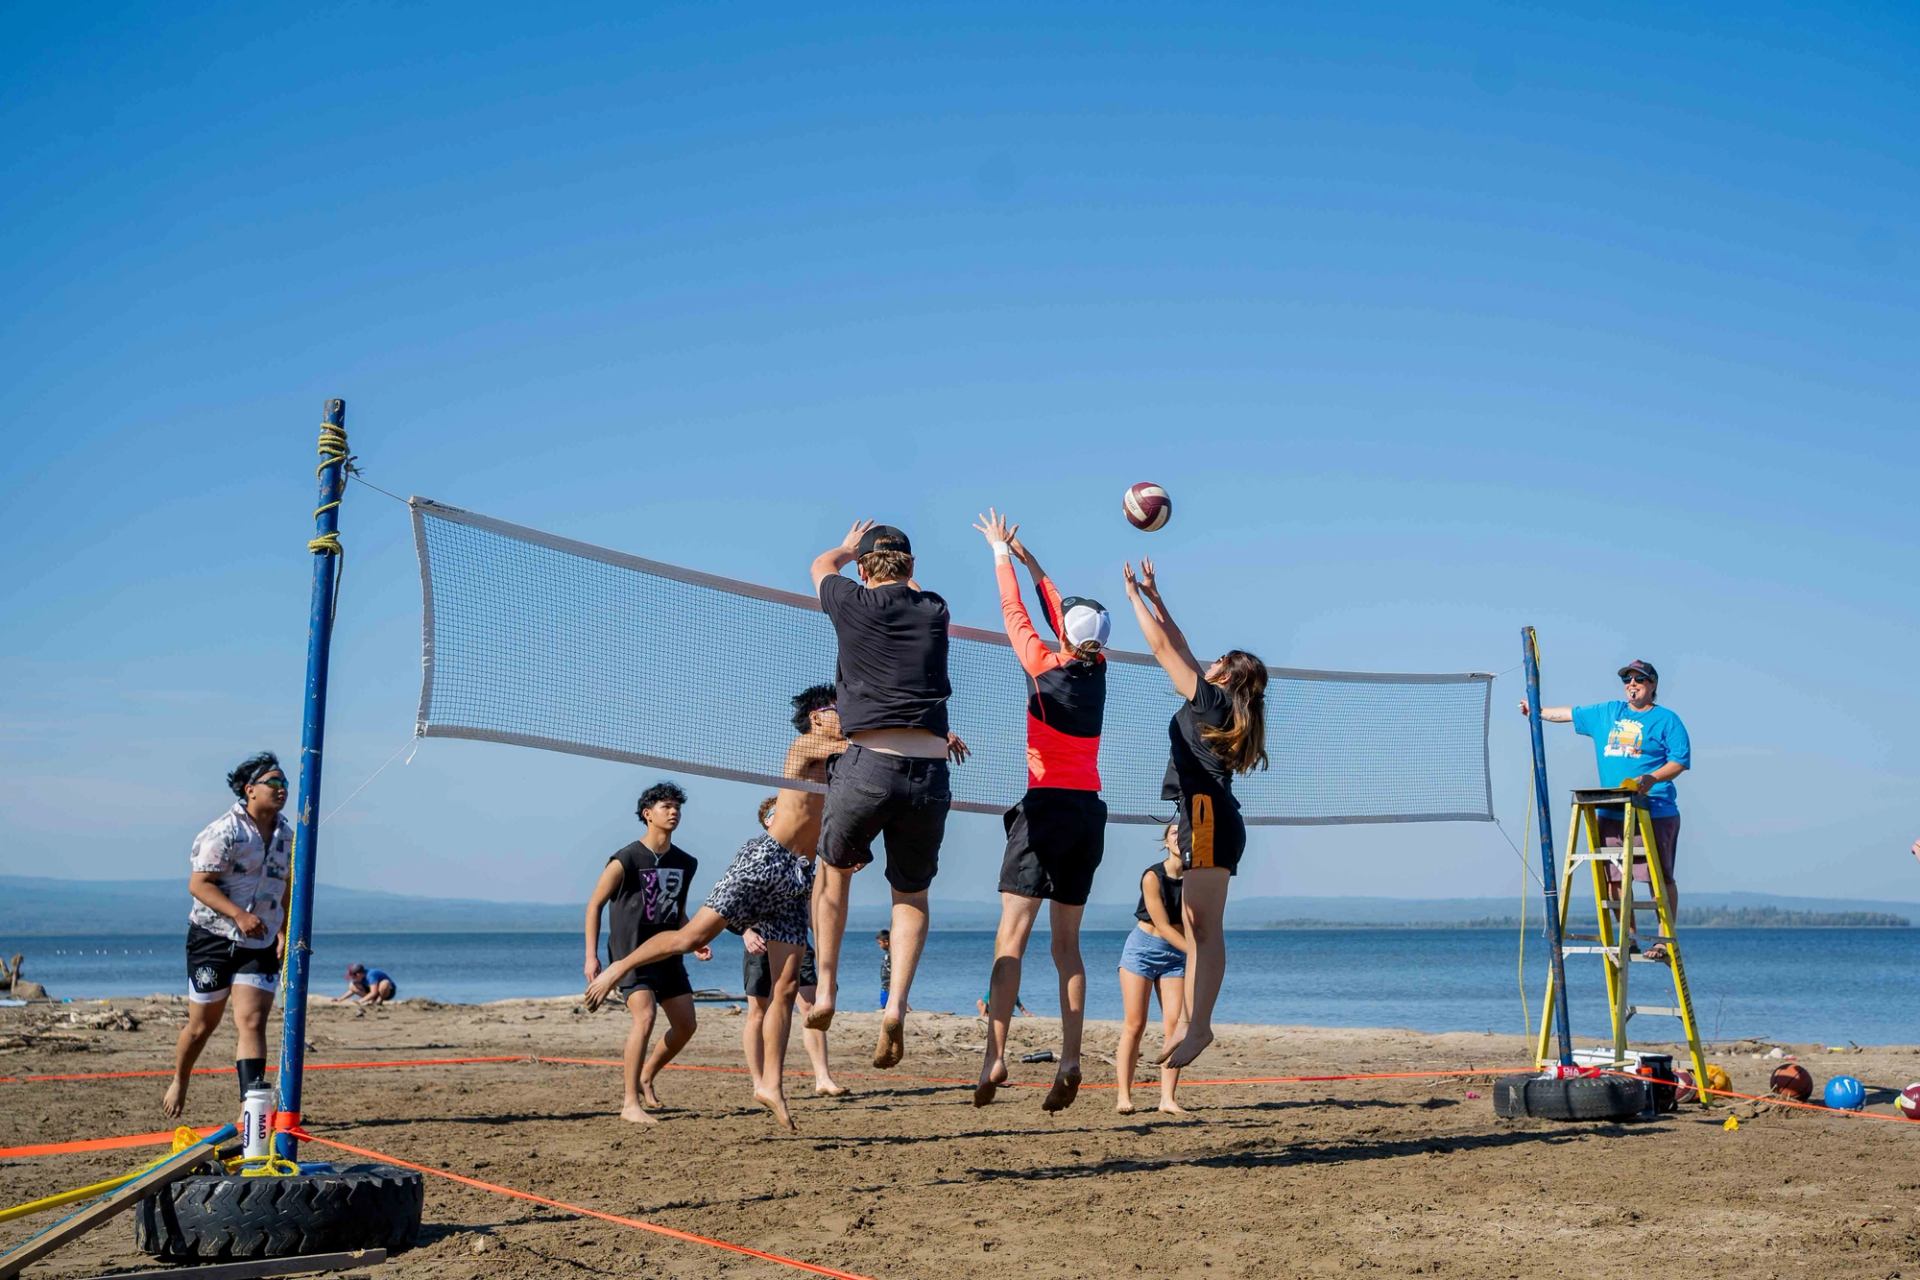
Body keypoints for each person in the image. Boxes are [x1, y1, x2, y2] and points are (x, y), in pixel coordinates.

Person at [588, 686, 847, 1129]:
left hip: (799, 873)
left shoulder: (841, 766)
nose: (842, 713)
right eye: (833, 709)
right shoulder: (806, 746)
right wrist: (926, 739)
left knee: (784, 988)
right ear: (816, 718)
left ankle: (771, 1085)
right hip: (765, 860)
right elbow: (867, 746)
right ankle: (619, 968)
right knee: (693, 937)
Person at [807, 520, 969, 1070]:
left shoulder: (850, 600)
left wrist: (849, 548)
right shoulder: (935, 610)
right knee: (911, 896)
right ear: (912, 566)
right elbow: (917, 592)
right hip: (929, 772)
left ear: (862, 567)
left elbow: (819, 566)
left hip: (868, 766)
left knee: (832, 876)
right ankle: (896, 1004)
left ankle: (826, 988)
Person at [969, 509, 1110, 1111]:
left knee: (1012, 937)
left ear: (1065, 636)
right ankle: (1072, 1057)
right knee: (1067, 948)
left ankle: (995, 1056)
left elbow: (1016, 613)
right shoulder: (1098, 669)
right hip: (1088, 813)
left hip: (1044, 808)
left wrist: (1001, 554)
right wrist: (1026, 559)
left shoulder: (1044, 665)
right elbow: (1057, 609)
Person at [1123, 556, 1268, 1070]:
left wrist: (1132, 600)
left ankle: (1199, 1025)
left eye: (1216, 661)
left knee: (1204, 927)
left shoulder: (1212, 702)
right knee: (1199, 922)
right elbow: (1179, 646)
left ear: (1225, 675)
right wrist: (1158, 598)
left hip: (1206, 815)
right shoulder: (1217, 703)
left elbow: (1164, 650)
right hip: (1205, 815)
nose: (1205, 662)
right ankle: (1194, 1023)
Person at [1518, 659, 1691, 960]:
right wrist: (1537, 711)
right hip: (1613, 809)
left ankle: (1664, 940)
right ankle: (1630, 936)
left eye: (1640, 680)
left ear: (1653, 686)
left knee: (1659, 878)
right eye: (1628, 680)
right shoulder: (1609, 713)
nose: (1632, 685)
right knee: (1613, 877)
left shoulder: (1667, 720)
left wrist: (1651, 778)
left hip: (1655, 809)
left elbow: (1679, 761)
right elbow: (1570, 714)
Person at [163, 752, 293, 1119]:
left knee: (252, 1020)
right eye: (274, 782)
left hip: (260, 940)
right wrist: (239, 914)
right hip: (213, 936)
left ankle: (248, 1109)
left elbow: (283, 885)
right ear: (250, 790)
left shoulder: (286, 834)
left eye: (285, 784)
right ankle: (180, 1077)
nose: (282, 790)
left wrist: (282, 929)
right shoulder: (223, 831)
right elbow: (199, 884)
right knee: (203, 1025)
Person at [583, 781, 708, 1123]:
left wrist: (693, 940)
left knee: (685, 1025)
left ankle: (646, 1075)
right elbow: (594, 905)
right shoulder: (625, 859)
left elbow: (676, 909)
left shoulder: (686, 862)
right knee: (646, 1016)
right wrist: (591, 957)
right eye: (666, 806)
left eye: (676, 807)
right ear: (647, 814)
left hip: (668, 954)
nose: (673, 812)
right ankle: (629, 1104)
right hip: (629, 955)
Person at [741, 783, 844, 1100]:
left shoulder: (806, 858)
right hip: (761, 939)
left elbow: (818, 907)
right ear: (766, 822)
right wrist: (746, 932)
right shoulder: (757, 852)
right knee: (758, 1012)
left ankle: (823, 1077)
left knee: (811, 1006)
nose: (780, 816)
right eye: (774, 813)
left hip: (798, 941)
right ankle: (759, 1081)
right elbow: (735, 901)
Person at [1115, 824, 1191, 1115]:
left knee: (1175, 1027)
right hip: (1143, 949)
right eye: (1174, 833)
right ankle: (1124, 1096)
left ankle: (1167, 1099)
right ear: (1165, 841)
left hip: (1176, 954)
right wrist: (1196, 954)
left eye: (1184, 833)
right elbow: (1160, 924)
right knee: (1135, 1024)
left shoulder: (1195, 878)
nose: (1179, 837)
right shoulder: (1152, 876)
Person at [875, 929, 892, 1010]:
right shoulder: (888, 954)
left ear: (886, 942)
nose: (879, 946)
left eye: (880, 943)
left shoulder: (891, 954)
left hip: (888, 985)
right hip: (885, 984)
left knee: (885, 1004)